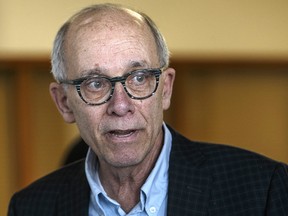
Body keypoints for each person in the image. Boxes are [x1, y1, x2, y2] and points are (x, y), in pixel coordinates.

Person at [8, 3, 288, 216]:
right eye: (95, 83)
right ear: (64, 103)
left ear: (165, 89)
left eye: (139, 78)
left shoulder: (262, 190)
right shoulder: (31, 207)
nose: (120, 105)